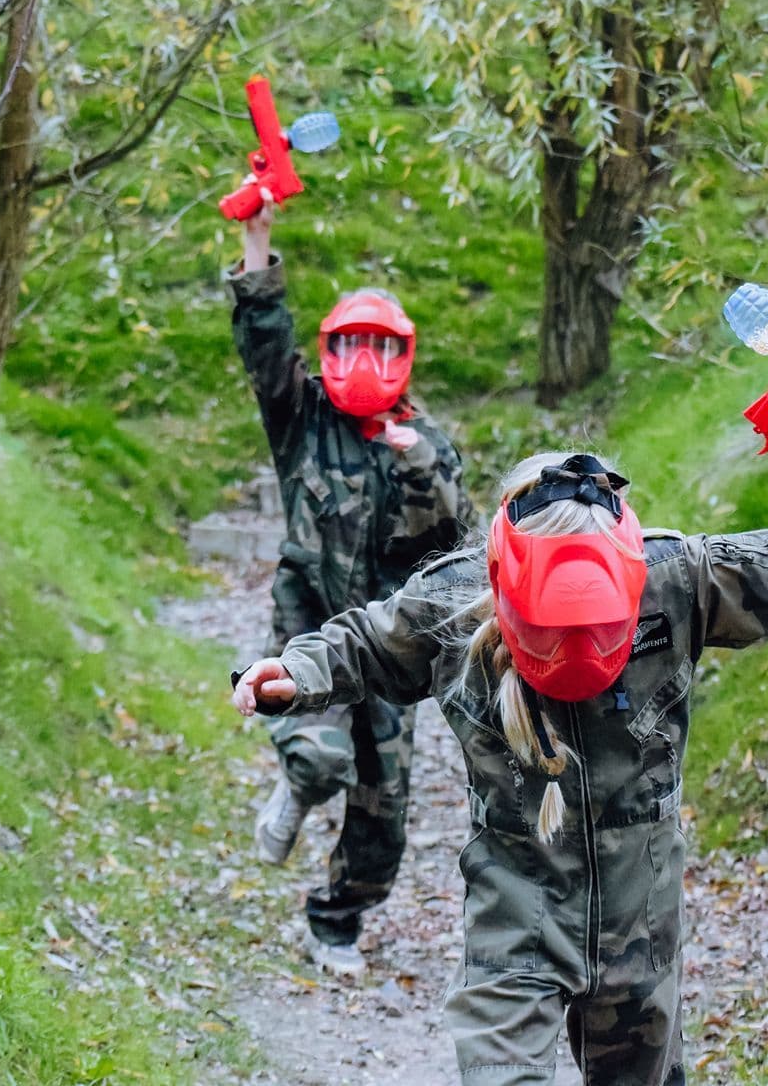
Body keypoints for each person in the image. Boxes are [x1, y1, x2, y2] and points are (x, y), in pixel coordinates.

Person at [231, 425, 768, 1083]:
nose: (575, 648)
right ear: (507, 588)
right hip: (516, 905)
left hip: (640, 911)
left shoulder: (676, 578)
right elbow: (366, 643)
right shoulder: (456, 596)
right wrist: (299, 671)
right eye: (553, 631)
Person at [226, 197, 474, 978]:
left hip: (390, 653)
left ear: (403, 356)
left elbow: (456, 547)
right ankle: (297, 791)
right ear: (331, 350)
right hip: (306, 632)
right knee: (320, 759)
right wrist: (255, 237)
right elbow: (265, 340)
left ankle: (336, 922)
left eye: (379, 346)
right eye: (350, 345)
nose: (363, 360)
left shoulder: (426, 445)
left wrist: (416, 466)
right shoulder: (303, 419)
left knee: (385, 817)